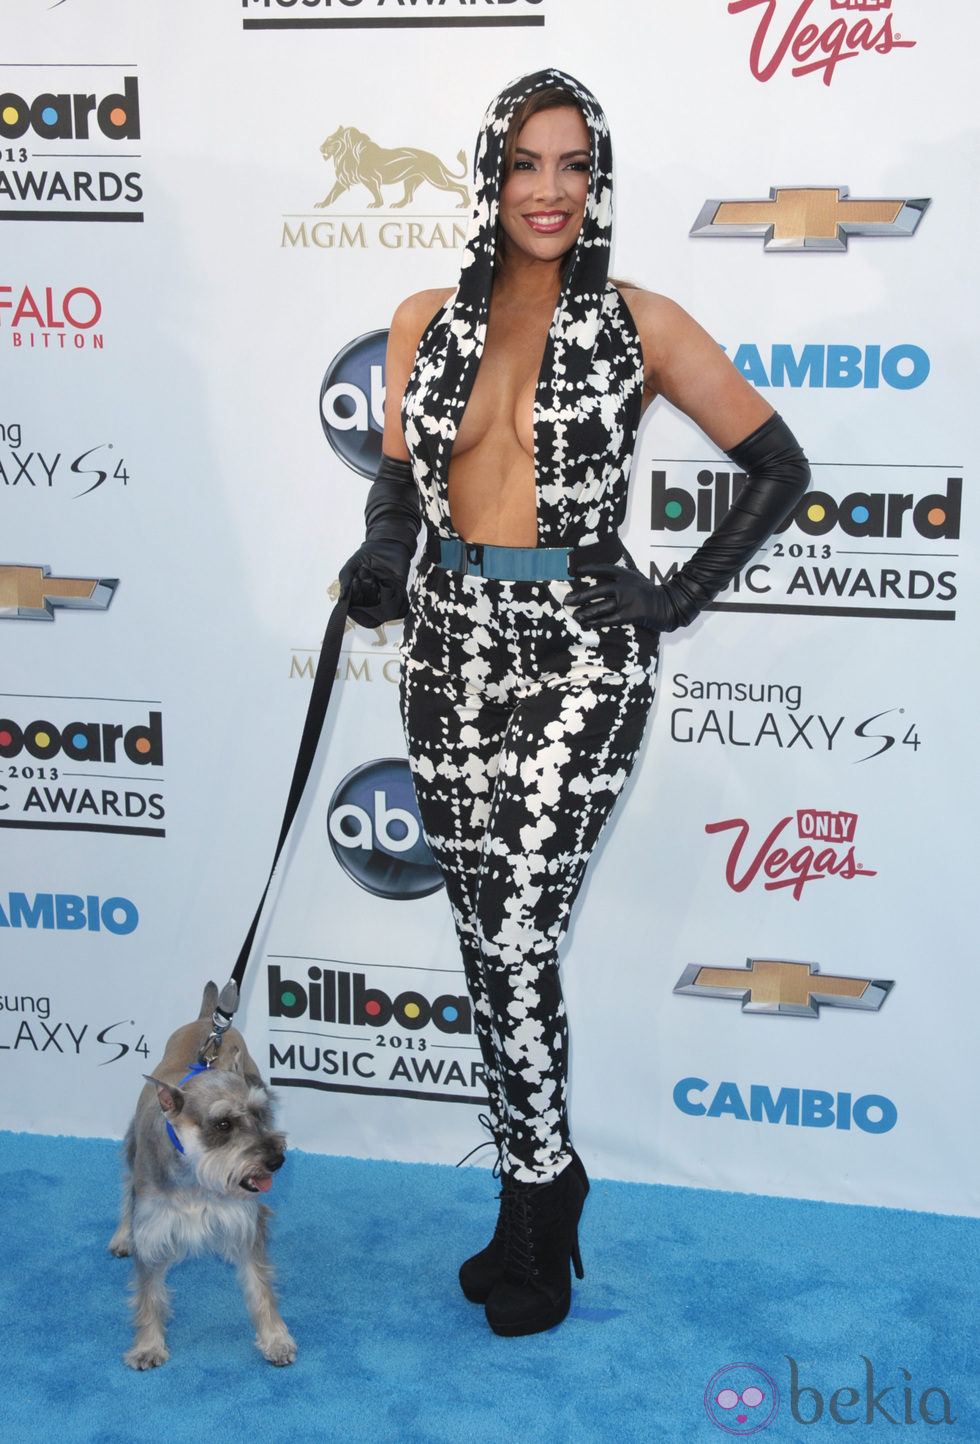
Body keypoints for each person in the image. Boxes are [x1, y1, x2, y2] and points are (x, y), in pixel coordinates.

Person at [339, 68, 809, 1338]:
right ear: (487, 175)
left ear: (595, 181)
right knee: (486, 947)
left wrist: (673, 596)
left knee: (510, 934)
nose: (546, 192)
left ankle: (546, 1191)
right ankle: (527, 1193)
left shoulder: (639, 322)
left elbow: (776, 463)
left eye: (571, 166)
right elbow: (397, 479)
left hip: (578, 658)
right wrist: (386, 553)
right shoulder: (420, 318)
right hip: (445, 650)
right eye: (522, 165)